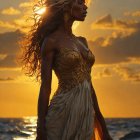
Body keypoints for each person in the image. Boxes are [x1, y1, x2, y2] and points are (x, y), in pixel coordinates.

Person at [19, 0, 113, 139]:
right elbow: (45, 87)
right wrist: (40, 128)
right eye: (80, 3)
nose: (85, 7)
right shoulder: (51, 41)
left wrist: (103, 126)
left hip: (85, 113)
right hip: (62, 111)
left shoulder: (83, 41)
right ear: (66, 6)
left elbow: (90, 86)